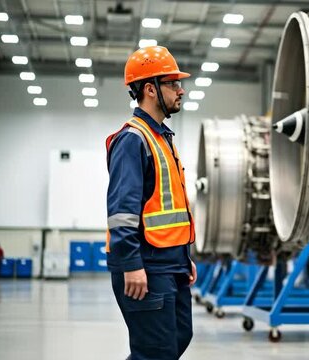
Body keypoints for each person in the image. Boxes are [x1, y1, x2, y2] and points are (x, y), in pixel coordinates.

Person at [105, 46, 197, 360]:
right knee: (155, 353)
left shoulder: (162, 137)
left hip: (171, 264)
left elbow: (166, 209)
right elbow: (121, 213)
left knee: (178, 338)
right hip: (145, 265)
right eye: (173, 83)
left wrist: (184, 257)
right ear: (150, 89)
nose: (180, 89)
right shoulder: (133, 139)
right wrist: (131, 265)